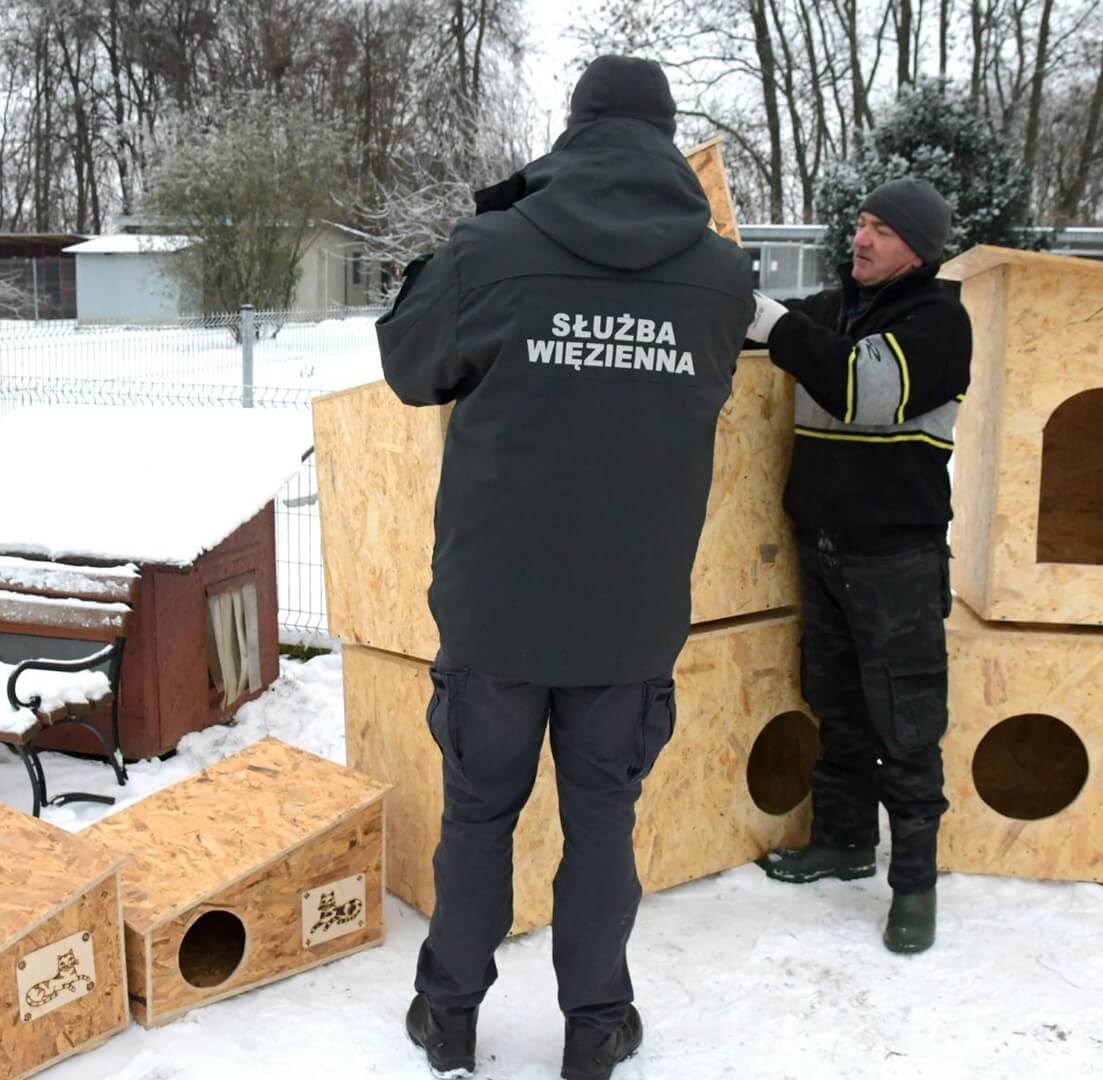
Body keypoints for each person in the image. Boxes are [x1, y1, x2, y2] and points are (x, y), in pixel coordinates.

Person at [375, 55, 752, 1080]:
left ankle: (448, 1012)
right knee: (602, 828)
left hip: (497, 608)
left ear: (575, 130)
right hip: (626, 619)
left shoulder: (493, 249)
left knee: (478, 817)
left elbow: (408, 363)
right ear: (664, 137)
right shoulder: (721, 277)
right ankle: (596, 1025)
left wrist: (482, 242)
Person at [744, 177, 971, 955]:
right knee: (835, 703)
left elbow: (862, 390)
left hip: (897, 557)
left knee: (906, 722)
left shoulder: (941, 323)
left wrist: (773, 324)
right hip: (824, 547)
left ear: (920, 248)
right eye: (861, 224)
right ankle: (844, 840)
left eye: (882, 229)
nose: (862, 239)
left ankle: (914, 887)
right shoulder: (833, 310)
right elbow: (767, 336)